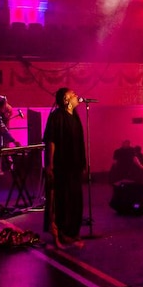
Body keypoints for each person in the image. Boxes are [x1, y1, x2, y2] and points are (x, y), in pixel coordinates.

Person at [43, 88, 87, 248]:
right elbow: (51, 141)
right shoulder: (57, 117)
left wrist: (83, 163)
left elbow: (79, 142)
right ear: (65, 99)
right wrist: (50, 164)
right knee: (64, 200)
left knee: (76, 200)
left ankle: (73, 232)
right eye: (73, 94)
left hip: (75, 166)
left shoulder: (75, 117)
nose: (77, 96)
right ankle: (63, 233)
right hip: (62, 166)